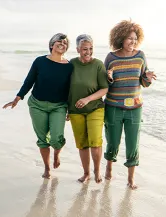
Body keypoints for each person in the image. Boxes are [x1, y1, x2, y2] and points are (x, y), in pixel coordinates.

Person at [3, 33, 73, 179]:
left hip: (58, 106)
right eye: (59, 41)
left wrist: (70, 109)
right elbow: (29, 81)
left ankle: (56, 153)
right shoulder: (40, 61)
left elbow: (71, 90)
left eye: (65, 43)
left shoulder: (69, 67)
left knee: (56, 138)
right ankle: (47, 168)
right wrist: (18, 97)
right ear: (51, 45)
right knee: (42, 139)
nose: (62, 44)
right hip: (37, 105)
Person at [103, 20, 157, 189]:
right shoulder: (111, 57)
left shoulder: (140, 55)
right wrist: (109, 77)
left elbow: (143, 82)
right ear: (120, 39)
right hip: (113, 107)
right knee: (112, 142)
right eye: (129, 38)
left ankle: (130, 179)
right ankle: (109, 168)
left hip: (135, 108)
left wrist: (147, 78)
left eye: (135, 39)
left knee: (133, 143)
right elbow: (104, 83)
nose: (132, 42)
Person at [67, 34, 109, 183]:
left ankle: (97, 172)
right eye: (85, 49)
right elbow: (65, 87)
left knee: (95, 141)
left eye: (91, 48)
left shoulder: (98, 65)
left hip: (95, 108)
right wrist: (67, 108)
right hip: (75, 110)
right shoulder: (71, 64)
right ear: (78, 49)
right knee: (82, 143)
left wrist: (87, 99)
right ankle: (86, 174)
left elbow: (104, 88)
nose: (88, 52)